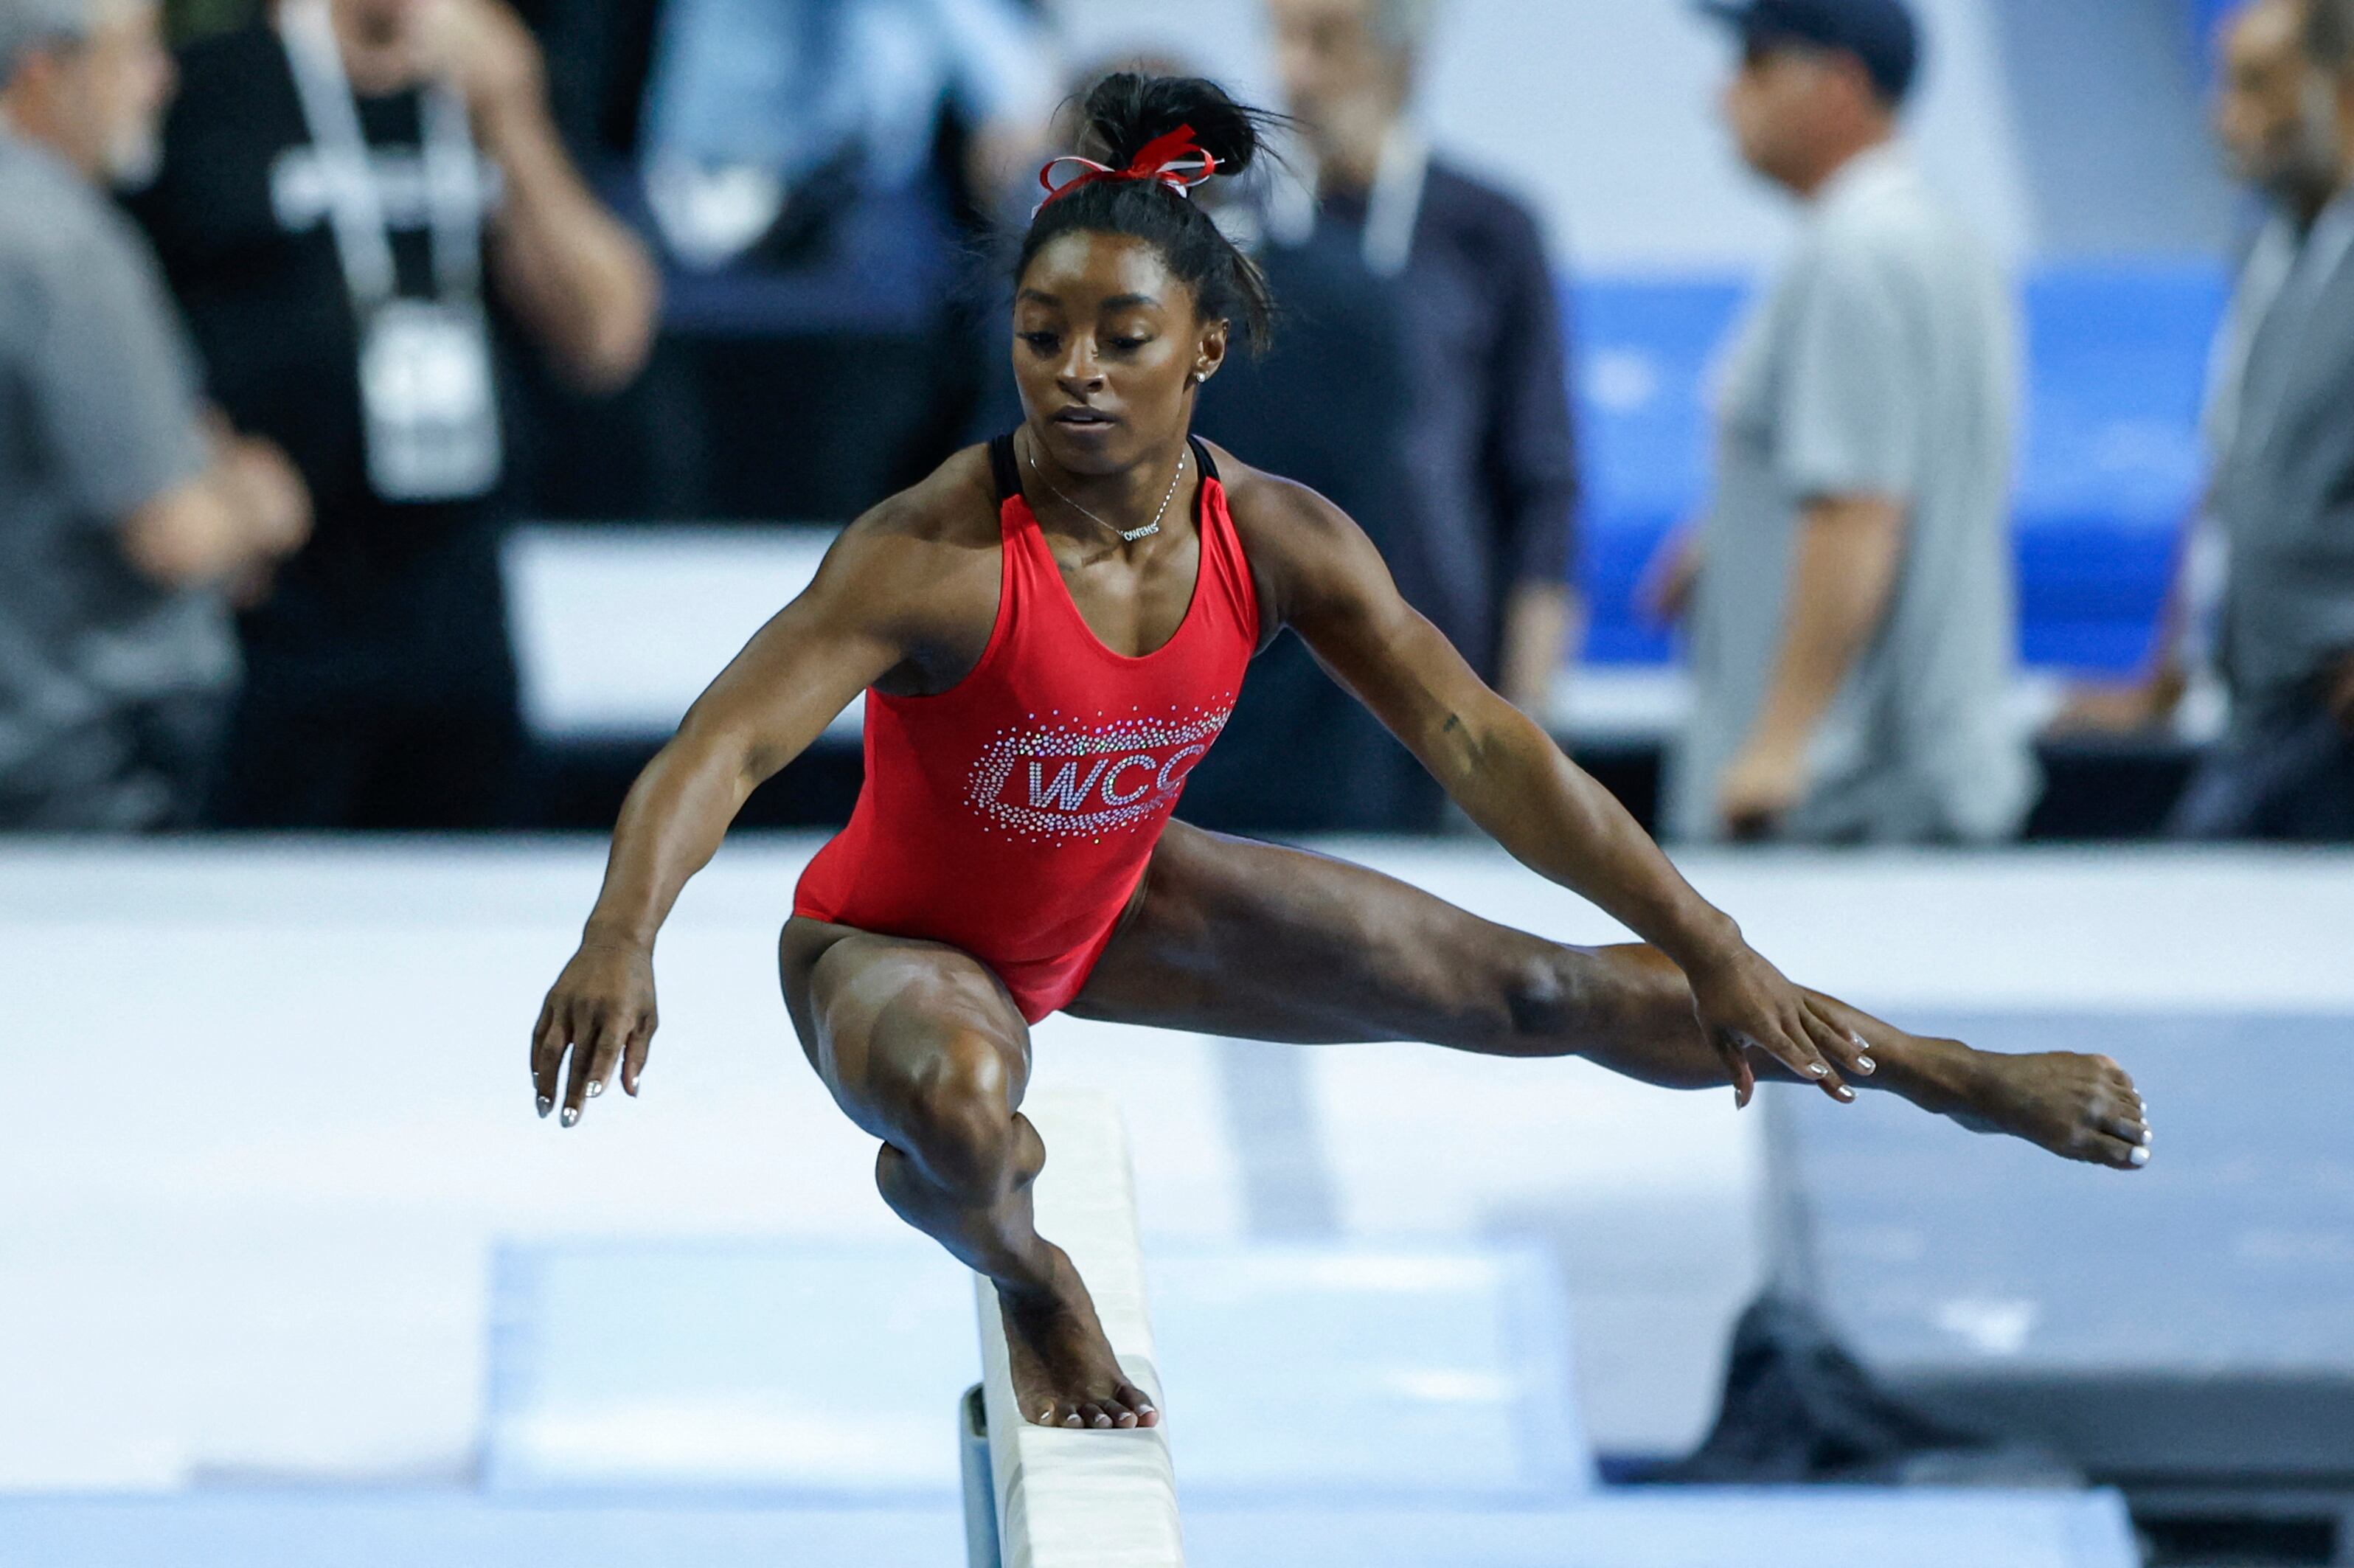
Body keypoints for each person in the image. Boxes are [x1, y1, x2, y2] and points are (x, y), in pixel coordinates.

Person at [531, 75, 2149, 1433]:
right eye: (1042, 334)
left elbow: (1490, 749)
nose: (1076, 370)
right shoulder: (936, 552)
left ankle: (1948, 1075)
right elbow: (724, 742)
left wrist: (1708, 941)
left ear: (1205, 352)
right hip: (891, 940)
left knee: (1541, 993)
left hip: (1121, 897)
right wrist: (623, 930)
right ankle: (1021, 1259)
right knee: (963, 1106)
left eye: (1121, 336)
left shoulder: (1283, 542)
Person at [128, 0, 659, 829]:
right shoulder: (213, 87)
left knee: (467, 921)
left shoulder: (496, 84)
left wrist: (512, 121)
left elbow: (606, 337)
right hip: (273, 607)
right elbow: (118, 317)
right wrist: (192, 454)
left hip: (457, 600)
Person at [1652, 0, 2035, 844]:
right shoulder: (1942, 241)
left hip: (1850, 799)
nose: (1725, 95)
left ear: (1838, 85)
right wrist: (1721, 542)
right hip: (1920, 773)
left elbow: (1857, 510)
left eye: (1755, 61)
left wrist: (1780, 747)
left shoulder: (1852, 258)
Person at [0, 0, 309, 830]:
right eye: (135, 54)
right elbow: (170, 532)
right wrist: (259, 502)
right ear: (44, 73)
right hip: (82, 745)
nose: (161, 80)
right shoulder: (63, 247)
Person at [2066, 0, 2354, 839]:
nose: (2224, 116)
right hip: (2264, 705)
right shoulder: (2269, 252)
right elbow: (2232, 480)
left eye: (2258, 85)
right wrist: (2162, 678)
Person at [1263, 0, 1580, 723]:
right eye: (1281, 39)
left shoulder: (1486, 232)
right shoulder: (1236, 233)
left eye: (1327, 42)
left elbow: (1540, 477)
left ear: (1404, 60)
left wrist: (1527, 709)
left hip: (1432, 665)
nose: (1293, 73)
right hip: (1260, 682)